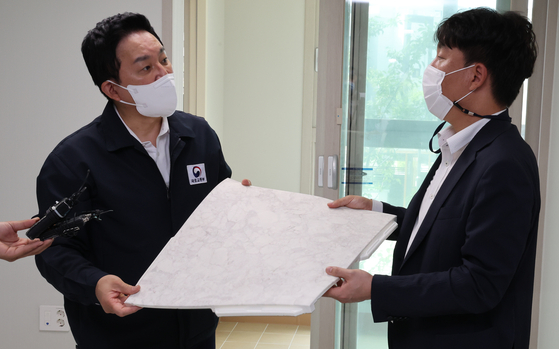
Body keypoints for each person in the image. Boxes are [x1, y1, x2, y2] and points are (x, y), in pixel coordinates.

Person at [324, 8, 539, 349]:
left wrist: (375, 288)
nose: (431, 69)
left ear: (475, 76)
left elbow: (480, 284)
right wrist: (377, 211)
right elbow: (442, 229)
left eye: (440, 58)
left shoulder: (504, 163)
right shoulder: (460, 143)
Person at [34, 12, 238, 349]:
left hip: (196, 328)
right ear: (113, 88)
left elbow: (218, 215)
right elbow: (55, 250)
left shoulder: (198, 135)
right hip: (119, 334)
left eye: (164, 59)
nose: (164, 74)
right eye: (146, 68)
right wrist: (95, 283)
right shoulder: (74, 160)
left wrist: (238, 203)